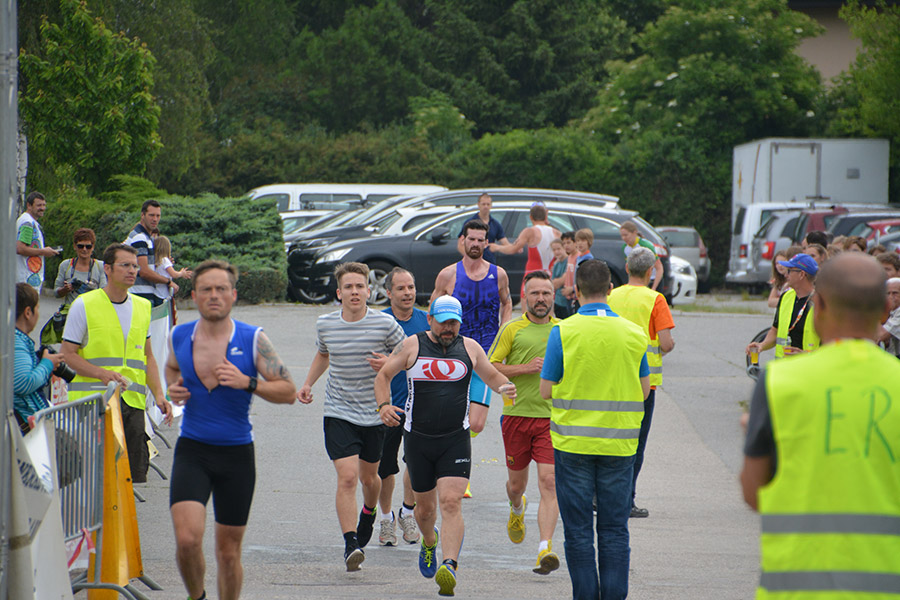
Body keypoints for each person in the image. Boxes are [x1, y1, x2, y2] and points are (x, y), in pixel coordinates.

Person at [740, 253, 900, 599]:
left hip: (794, 586)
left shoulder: (778, 383)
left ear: (820, 306)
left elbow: (753, 493)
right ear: (885, 311)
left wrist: (750, 438)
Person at [165, 260, 297, 600]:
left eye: (221, 289)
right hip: (193, 450)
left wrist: (248, 382)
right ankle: (197, 597)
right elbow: (172, 368)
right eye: (206, 289)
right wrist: (173, 388)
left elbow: (288, 391)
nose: (214, 295)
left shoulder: (253, 339)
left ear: (233, 295)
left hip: (236, 455)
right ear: (194, 296)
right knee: (187, 540)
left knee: (227, 553)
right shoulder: (180, 335)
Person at [375, 295, 517, 597]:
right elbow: (384, 375)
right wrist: (384, 405)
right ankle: (429, 541)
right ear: (430, 320)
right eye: (443, 322)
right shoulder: (412, 346)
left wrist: (505, 386)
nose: (448, 328)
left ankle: (449, 565)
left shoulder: (470, 348)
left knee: (451, 502)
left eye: (454, 322)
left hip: (455, 439)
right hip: (418, 439)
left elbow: (491, 375)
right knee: (425, 511)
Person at [540, 259, 650, 600]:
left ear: (576, 290)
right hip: (619, 446)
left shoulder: (563, 332)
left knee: (578, 531)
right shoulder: (633, 333)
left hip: (573, 445)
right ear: (610, 289)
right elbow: (644, 390)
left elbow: (546, 390)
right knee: (615, 529)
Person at [297, 262, 406, 571]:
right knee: (347, 477)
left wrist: (388, 363)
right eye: (349, 287)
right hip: (338, 410)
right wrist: (307, 384)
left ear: (369, 291)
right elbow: (323, 354)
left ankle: (369, 512)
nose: (355, 292)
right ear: (339, 293)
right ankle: (350, 543)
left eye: (360, 286)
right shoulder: (325, 324)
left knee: (369, 478)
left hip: (374, 412)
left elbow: (407, 355)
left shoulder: (385, 324)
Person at [61, 243, 174, 483]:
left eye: (135, 266)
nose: (132, 270)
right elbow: (67, 354)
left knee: (128, 478)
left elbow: (148, 357)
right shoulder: (84, 304)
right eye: (125, 265)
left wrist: (159, 394)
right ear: (108, 269)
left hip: (132, 403)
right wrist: (101, 373)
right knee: (94, 477)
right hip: (93, 402)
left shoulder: (143, 307)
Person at [488, 271, 561, 574]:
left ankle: (545, 549)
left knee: (549, 482)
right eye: (535, 293)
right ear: (525, 296)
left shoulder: (563, 330)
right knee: (516, 486)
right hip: (516, 417)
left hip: (551, 419)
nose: (541, 299)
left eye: (546, 293)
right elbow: (491, 366)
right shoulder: (512, 329)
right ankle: (517, 507)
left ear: (553, 296)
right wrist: (525, 368)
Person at [434, 219, 513, 498]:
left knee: (476, 423)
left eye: (481, 240)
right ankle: (456, 472)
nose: (476, 244)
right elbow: (433, 312)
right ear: (463, 241)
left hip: (484, 357)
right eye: (472, 239)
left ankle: (451, 458)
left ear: (487, 243)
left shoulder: (498, 274)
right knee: (452, 416)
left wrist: (504, 329)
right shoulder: (448, 275)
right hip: (453, 356)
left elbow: (507, 303)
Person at [607, 247, 675, 519]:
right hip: (642, 383)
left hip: (610, 378)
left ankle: (600, 495)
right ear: (650, 272)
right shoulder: (655, 300)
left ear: (626, 268)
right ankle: (626, 499)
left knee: (609, 438)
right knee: (634, 443)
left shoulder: (611, 295)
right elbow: (666, 343)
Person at [374, 267, 428, 546]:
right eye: (401, 288)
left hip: (421, 406)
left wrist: (395, 361)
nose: (408, 293)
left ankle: (407, 511)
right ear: (388, 292)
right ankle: (386, 519)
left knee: (416, 464)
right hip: (388, 407)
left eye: (411, 287)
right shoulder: (378, 322)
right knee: (385, 468)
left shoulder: (427, 321)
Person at [746, 253, 820, 360]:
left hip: (808, 367)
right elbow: (775, 330)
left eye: (789, 271)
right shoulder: (786, 297)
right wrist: (762, 345)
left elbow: (832, 346)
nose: (785, 275)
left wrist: (805, 354)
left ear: (801, 274)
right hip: (784, 365)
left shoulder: (823, 303)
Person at [13, 283, 64, 430]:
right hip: (22, 428)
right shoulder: (16, 341)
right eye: (37, 308)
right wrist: (47, 364)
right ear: (28, 312)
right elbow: (24, 383)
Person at [490, 202, 561, 277]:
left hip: (533, 275)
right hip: (550, 275)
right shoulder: (557, 233)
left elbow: (513, 249)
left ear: (531, 217)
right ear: (546, 217)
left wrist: (496, 247)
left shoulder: (530, 231)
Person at [125, 199, 171, 307]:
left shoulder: (146, 237)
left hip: (143, 296)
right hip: (139, 296)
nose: (155, 219)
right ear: (142, 215)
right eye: (151, 215)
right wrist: (168, 281)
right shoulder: (139, 237)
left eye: (158, 216)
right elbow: (144, 271)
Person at [16, 191, 59, 291]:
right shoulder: (27, 223)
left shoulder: (28, 221)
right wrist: (43, 251)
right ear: (29, 205)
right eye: (39, 205)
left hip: (27, 279)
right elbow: (20, 248)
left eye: (44, 205)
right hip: (26, 280)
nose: (42, 208)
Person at [54, 228, 107, 305]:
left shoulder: (100, 266)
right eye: (80, 246)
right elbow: (56, 293)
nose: (84, 249)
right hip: (70, 309)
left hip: (92, 308)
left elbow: (104, 292)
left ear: (93, 247)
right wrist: (65, 289)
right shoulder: (65, 265)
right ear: (74, 246)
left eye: (88, 246)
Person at [456, 192, 509, 263]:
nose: (486, 207)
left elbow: (506, 244)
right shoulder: (470, 223)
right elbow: (460, 245)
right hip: (472, 263)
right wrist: (470, 258)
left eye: (488, 204)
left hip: (489, 262)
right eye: (483, 204)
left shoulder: (495, 224)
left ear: (491, 205)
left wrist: (498, 247)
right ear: (478, 204)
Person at [619, 221, 663, 291]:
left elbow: (659, 268)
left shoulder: (646, 245)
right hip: (639, 282)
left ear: (634, 233)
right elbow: (630, 269)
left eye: (626, 235)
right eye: (622, 236)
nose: (624, 238)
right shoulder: (625, 248)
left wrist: (654, 287)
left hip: (653, 280)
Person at [153, 235, 192, 301]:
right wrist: (181, 273)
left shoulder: (156, 261)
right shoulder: (165, 260)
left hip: (156, 292)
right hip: (163, 294)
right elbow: (173, 274)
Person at [877, 277, 900, 357]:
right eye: (888, 293)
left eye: (895, 293)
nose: (890, 297)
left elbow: (880, 336)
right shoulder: (892, 311)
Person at [549, 239, 571, 319]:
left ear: (564, 248)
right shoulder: (556, 264)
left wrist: (558, 281)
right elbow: (553, 285)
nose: (556, 252)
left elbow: (564, 279)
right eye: (554, 250)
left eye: (558, 249)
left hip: (566, 301)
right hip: (557, 301)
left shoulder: (569, 261)